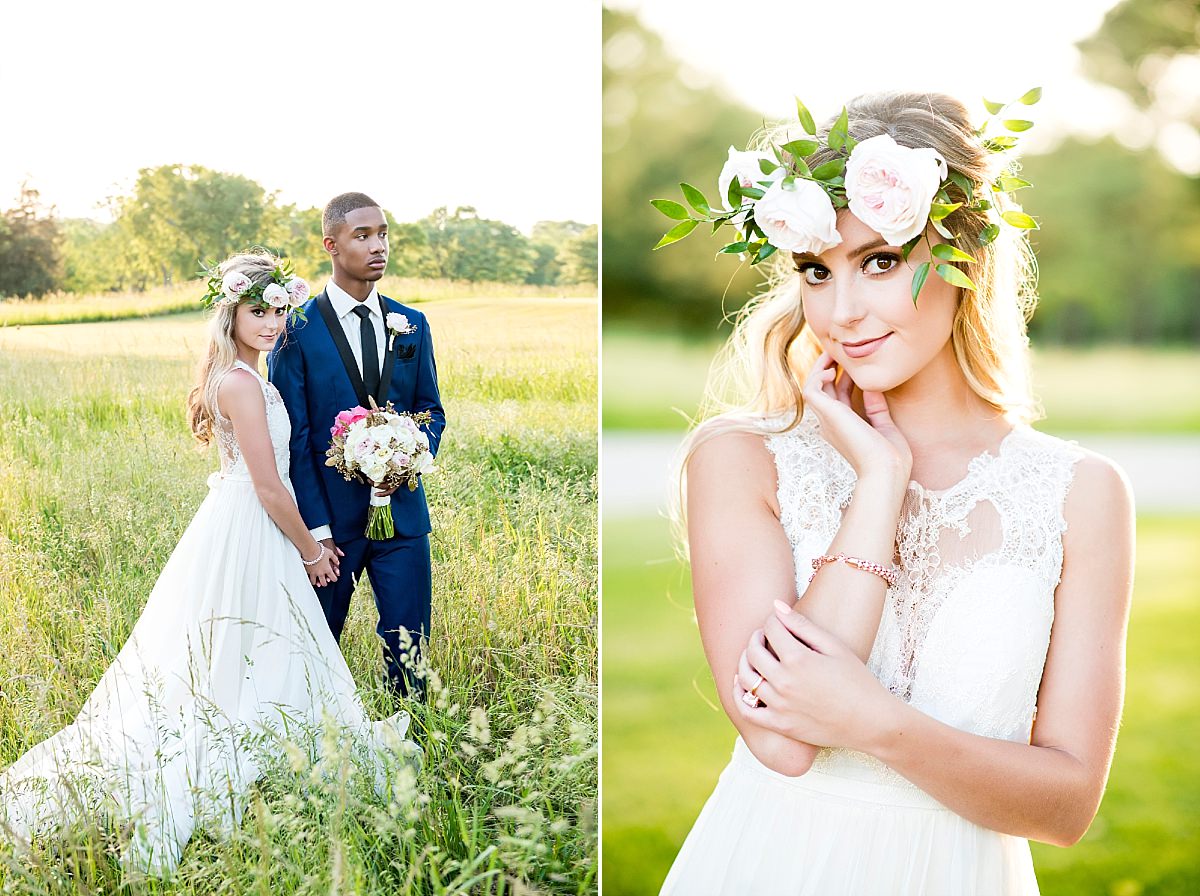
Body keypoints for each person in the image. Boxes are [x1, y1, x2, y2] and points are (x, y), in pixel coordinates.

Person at [657, 92, 1135, 895]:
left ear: (966, 258)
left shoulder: (1080, 492)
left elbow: (1066, 806)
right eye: (817, 271)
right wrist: (879, 484)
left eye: (879, 261)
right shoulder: (741, 458)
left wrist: (877, 724)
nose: (841, 313)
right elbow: (782, 744)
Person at [0, 251, 415, 875]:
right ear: (231, 313)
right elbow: (270, 486)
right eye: (258, 312)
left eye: (280, 311)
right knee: (243, 642)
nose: (273, 323)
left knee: (248, 645)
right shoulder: (242, 384)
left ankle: (268, 737)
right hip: (252, 527)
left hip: (246, 524)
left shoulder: (247, 376)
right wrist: (313, 549)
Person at [268, 192, 445, 701]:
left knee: (409, 648)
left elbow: (432, 411)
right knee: (316, 647)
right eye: (362, 236)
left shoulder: (411, 322)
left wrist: (408, 451)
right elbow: (295, 439)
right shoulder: (295, 327)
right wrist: (315, 534)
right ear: (331, 244)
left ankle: (412, 741)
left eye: (384, 234)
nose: (378, 246)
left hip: (405, 519)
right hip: (332, 529)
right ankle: (309, 747)